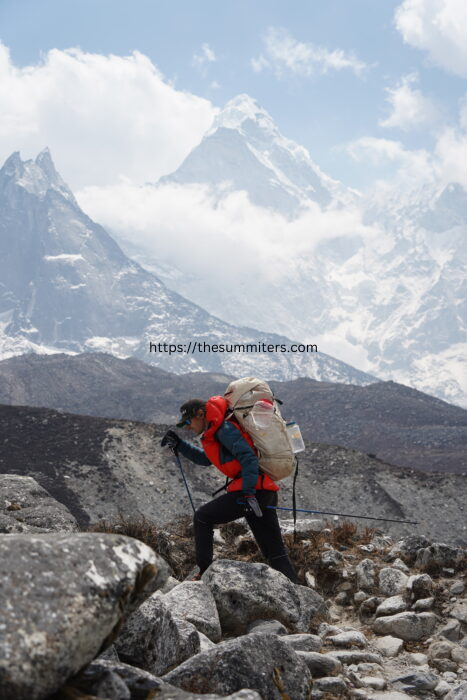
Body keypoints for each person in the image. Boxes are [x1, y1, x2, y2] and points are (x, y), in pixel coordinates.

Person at [161, 396, 298, 583]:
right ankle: (296, 592)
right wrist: (180, 445)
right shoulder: (215, 431)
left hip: (253, 492)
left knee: (202, 517)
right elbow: (206, 459)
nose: (187, 427)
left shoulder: (225, 430)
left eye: (187, 422)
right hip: (263, 492)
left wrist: (248, 493)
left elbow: (248, 459)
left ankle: (204, 573)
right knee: (274, 551)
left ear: (200, 414)